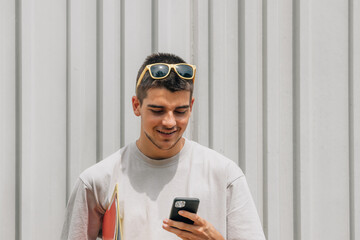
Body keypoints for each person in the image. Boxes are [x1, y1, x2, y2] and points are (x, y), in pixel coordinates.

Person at [61, 53, 266, 240]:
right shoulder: (97, 181)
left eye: (180, 111)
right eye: (158, 110)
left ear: (191, 107)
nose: (169, 122)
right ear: (136, 106)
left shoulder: (224, 176)